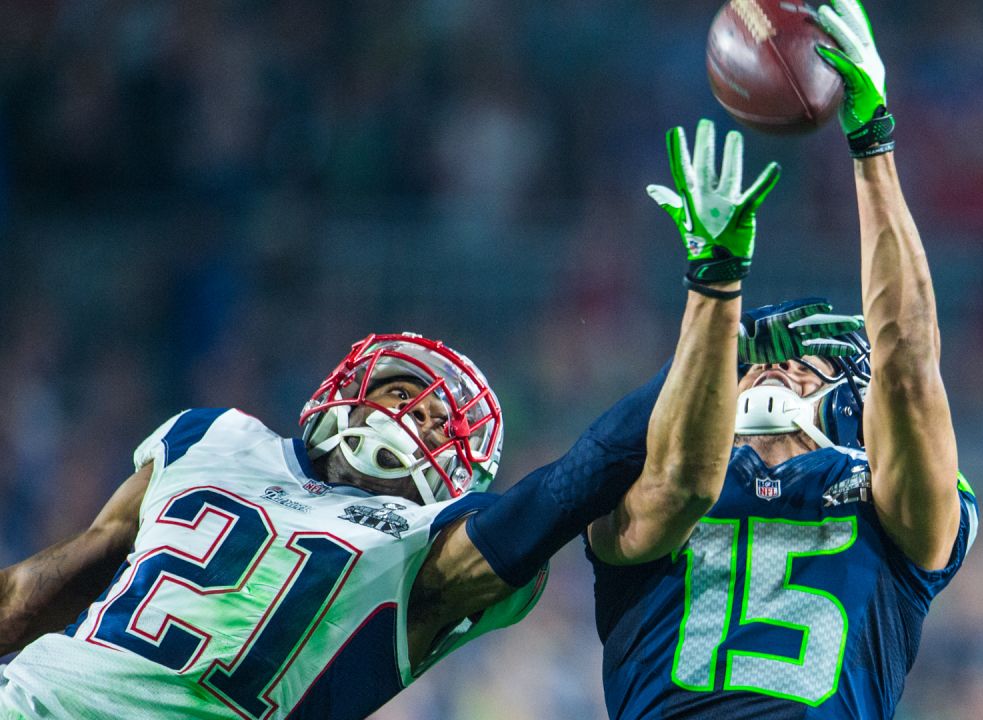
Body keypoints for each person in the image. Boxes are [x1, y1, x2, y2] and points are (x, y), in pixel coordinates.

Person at [0, 129, 778, 718]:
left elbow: (575, 481)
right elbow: (38, 592)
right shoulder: (213, 437)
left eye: (439, 415)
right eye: (405, 387)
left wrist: (719, 317)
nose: (412, 410)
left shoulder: (430, 545)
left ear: (462, 469)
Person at [585, 0, 979, 717]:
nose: (777, 367)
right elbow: (676, 489)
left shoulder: (891, 503)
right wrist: (714, 285)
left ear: (855, 403)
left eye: (810, 361)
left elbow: (909, 373)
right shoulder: (641, 478)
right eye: (756, 359)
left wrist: (874, 143)